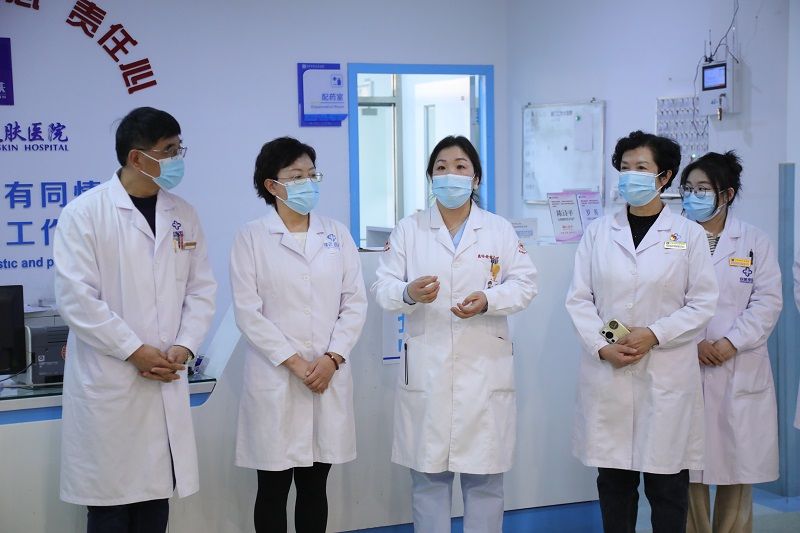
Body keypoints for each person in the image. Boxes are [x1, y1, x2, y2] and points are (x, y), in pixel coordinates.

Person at [53, 107, 217, 533]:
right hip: (112, 382)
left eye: (179, 148)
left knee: (155, 500)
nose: (178, 158)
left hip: (166, 375)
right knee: (110, 506)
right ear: (136, 158)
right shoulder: (85, 214)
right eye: (169, 150)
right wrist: (134, 350)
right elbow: (77, 299)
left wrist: (184, 346)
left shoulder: (183, 214)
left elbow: (201, 290)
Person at [372, 135, 537, 532]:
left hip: (484, 370)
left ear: (475, 178)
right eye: (441, 167)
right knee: (429, 480)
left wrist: (489, 299)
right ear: (431, 177)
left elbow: (526, 284)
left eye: (460, 166)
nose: (450, 174)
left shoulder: (498, 230)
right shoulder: (410, 229)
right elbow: (382, 286)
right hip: (428, 370)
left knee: (485, 482)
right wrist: (408, 293)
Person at [565, 130, 718, 533]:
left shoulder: (689, 235)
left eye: (641, 167)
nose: (630, 175)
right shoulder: (599, 232)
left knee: (667, 486)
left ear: (664, 177)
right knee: (614, 484)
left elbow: (703, 302)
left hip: (665, 374)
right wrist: (603, 346)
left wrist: (654, 333)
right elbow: (579, 299)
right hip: (610, 372)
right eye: (625, 167)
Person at [230, 137, 367, 533]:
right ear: (271, 185)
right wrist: (296, 363)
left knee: (314, 487)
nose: (308, 183)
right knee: (272, 488)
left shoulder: (336, 234)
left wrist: (332, 359)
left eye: (312, 174)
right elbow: (248, 312)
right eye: (296, 176)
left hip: (327, 375)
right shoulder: (251, 237)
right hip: (276, 378)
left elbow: (354, 302)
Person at [677, 151, 782, 533]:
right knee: (687, 470)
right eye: (688, 188)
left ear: (727, 194)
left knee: (738, 469)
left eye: (703, 189)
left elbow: (768, 301)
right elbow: (662, 299)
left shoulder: (754, 241)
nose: (693, 196)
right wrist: (694, 343)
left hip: (738, 364)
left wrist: (730, 342)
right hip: (686, 360)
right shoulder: (673, 238)